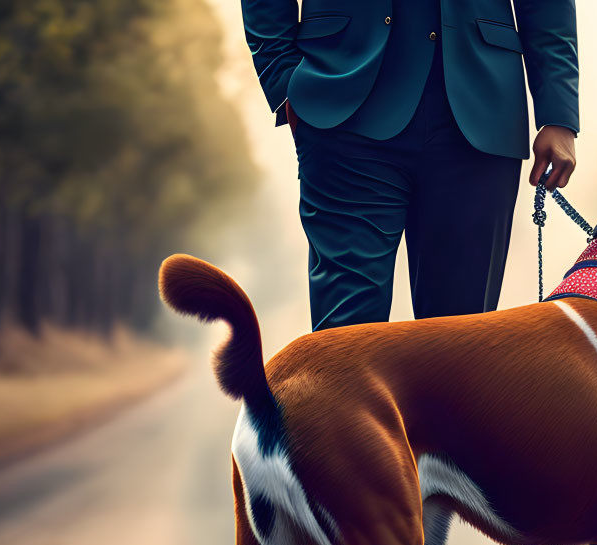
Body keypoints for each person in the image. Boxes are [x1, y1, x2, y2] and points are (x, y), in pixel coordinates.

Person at [241, 1, 579, 330]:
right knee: (344, 342)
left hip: (480, 119)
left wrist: (558, 115)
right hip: (344, 113)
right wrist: (283, 79)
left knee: (458, 344)